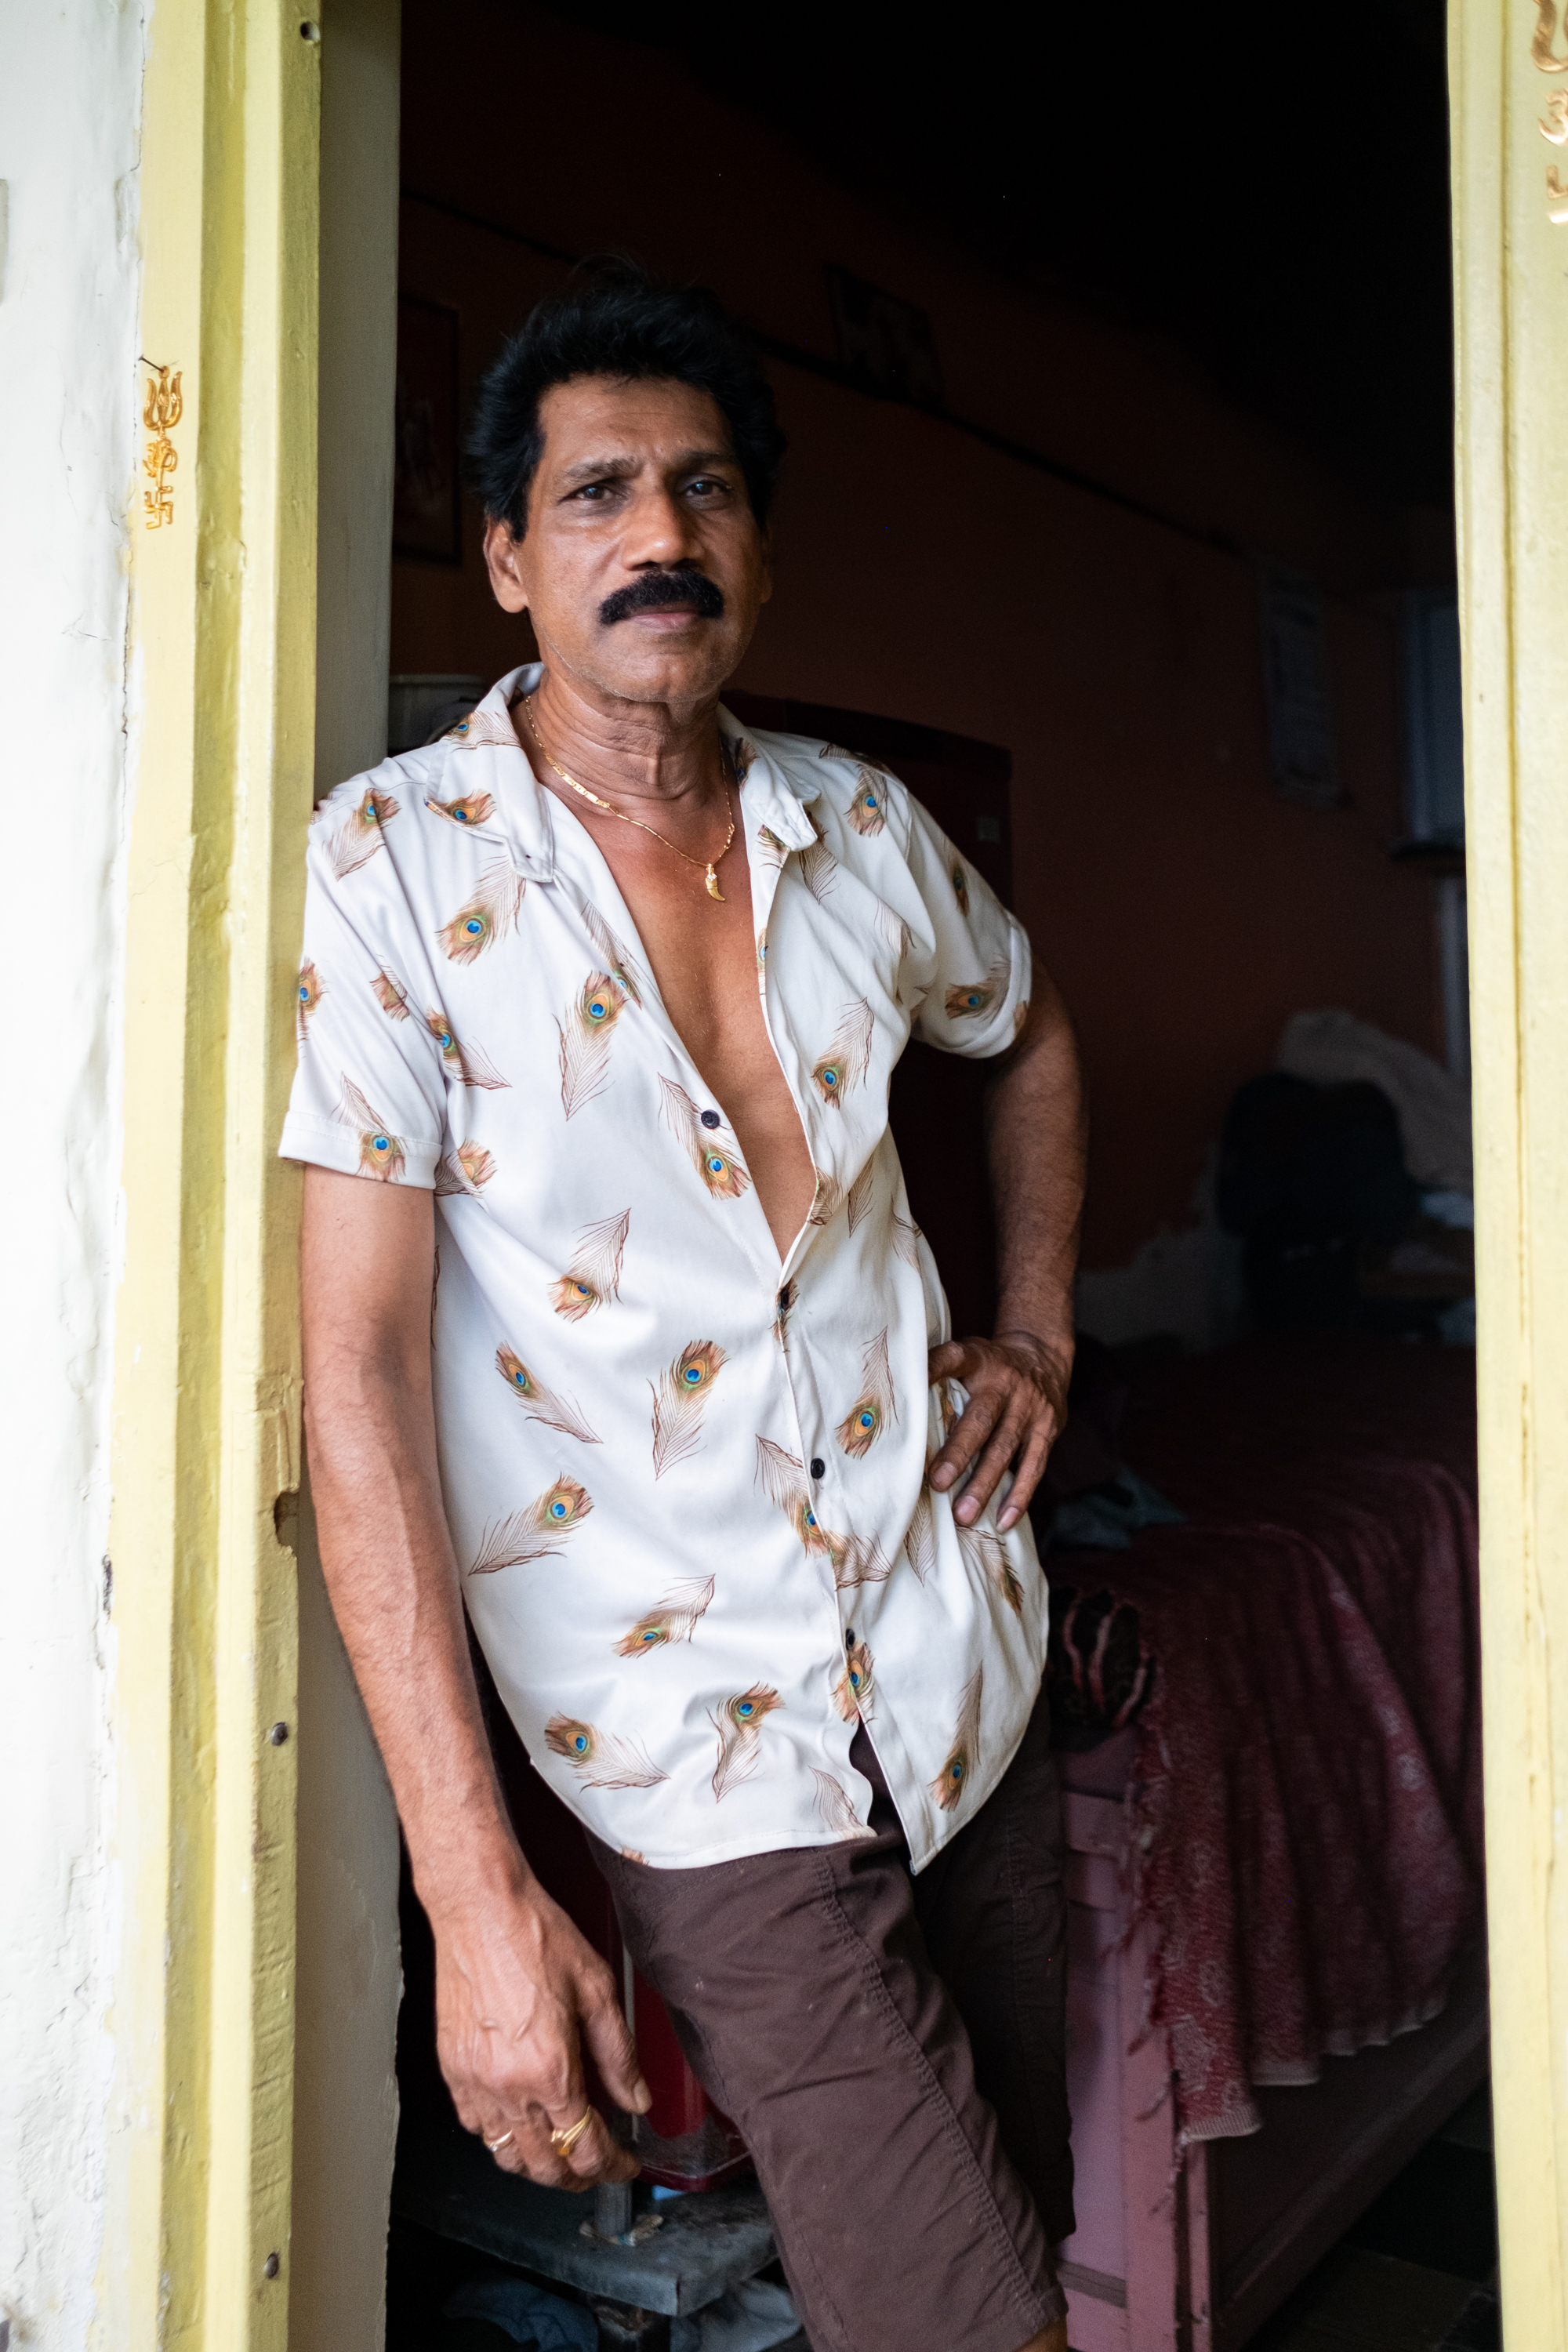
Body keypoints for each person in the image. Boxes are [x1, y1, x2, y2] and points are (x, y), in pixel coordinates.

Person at [284, 262, 1086, 2352]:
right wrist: (473, 1897)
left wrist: (1040, 1325)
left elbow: (1025, 1030)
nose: (661, 535)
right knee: (974, 2323)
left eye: (707, 488)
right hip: (702, 1748)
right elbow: (352, 1385)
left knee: (1009, 2221)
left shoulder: (865, 832)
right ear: (502, 557)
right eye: (597, 493)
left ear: (759, 547)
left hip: (963, 1661)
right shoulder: (391, 873)